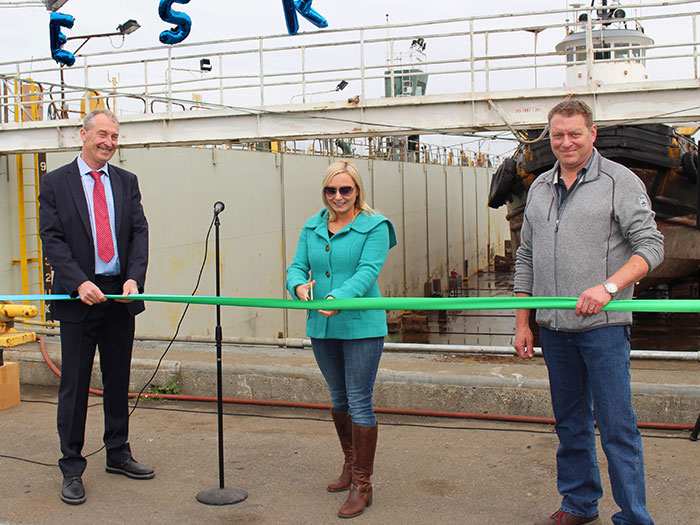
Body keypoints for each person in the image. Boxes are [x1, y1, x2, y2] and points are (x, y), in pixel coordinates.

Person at [513, 99, 663, 525]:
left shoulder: (620, 181)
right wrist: (524, 323)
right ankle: (579, 504)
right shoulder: (539, 187)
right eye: (558, 135)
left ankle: (634, 517)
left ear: (592, 134)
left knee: (618, 427)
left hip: (603, 328)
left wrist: (610, 287)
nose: (566, 142)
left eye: (575, 133)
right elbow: (526, 256)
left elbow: (651, 246)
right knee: (570, 424)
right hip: (554, 330)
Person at [39, 109, 152, 505]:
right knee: (75, 385)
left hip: (119, 295)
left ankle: (118, 453)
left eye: (115, 136)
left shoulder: (126, 181)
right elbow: (52, 239)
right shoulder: (55, 183)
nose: (109, 142)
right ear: (83, 134)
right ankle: (72, 466)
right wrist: (78, 282)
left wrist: (134, 278)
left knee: (118, 379)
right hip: (79, 297)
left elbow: (139, 232)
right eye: (103, 134)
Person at [286, 160, 396, 519]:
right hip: (323, 326)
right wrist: (298, 286)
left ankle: (362, 484)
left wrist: (338, 298)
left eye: (345, 190)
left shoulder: (375, 227)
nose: (338, 197)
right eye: (331, 190)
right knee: (338, 398)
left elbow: (367, 272)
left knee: (360, 401)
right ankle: (351, 464)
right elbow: (297, 266)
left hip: (361, 325)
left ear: (358, 191)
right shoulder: (313, 226)